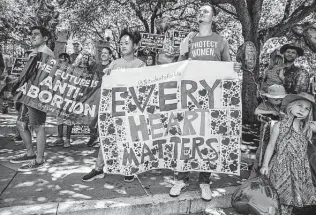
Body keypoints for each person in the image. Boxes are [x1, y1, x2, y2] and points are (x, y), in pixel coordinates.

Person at [170, 4, 241, 201]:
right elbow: (180, 64)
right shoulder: (189, 39)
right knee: (186, 137)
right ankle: (181, 178)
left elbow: (228, 69)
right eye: (199, 10)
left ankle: (204, 181)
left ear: (214, 18)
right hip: (189, 98)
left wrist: (234, 66)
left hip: (212, 99)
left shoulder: (221, 41)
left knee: (207, 139)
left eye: (206, 11)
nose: (201, 13)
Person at [82, 28, 145, 183]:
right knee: (106, 137)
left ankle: (129, 168)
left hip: (131, 110)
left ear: (135, 46)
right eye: (121, 43)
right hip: (112, 109)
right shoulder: (114, 64)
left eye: (127, 43)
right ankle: (98, 168)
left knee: (129, 140)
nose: (123, 45)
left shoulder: (141, 64)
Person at [260, 92, 316, 215]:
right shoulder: (280, 126)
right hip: (281, 166)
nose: (302, 110)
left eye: (307, 109)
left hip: (299, 169)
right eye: (300, 106)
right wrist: (265, 165)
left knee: (292, 199)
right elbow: (271, 146)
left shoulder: (306, 128)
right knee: (278, 196)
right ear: (290, 106)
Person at [10, 26, 54, 171]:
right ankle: (30, 153)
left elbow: (48, 77)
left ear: (45, 38)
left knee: (38, 125)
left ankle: (40, 159)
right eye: (31, 34)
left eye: (36, 34)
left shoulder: (47, 53)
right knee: (21, 124)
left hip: (38, 96)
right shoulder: (36, 53)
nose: (32, 36)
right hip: (27, 94)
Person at [248, 84, 286, 179]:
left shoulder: (281, 106)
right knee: (262, 151)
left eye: (280, 99)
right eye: (276, 99)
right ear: (268, 98)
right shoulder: (265, 105)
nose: (278, 101)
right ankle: (254, 175)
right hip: (266, 133)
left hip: (277, 133)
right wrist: (271, 112)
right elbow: (256, 111)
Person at [86, 47, 112, 147]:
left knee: (104, 118)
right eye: (102, 53)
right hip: (94, 95)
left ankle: (103, 139)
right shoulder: (96, 65)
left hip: (106, 96)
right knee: (92, 117)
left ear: (110, 55)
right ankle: (93, 136)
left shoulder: (112, 66)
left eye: (106, 53)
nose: (103, 54)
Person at [48, 53, 72, 148]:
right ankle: (60, 138)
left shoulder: (72, 69)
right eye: (60, 58)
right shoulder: (57, 68)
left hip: (69, 96)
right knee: (59, 117)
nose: (62, 60)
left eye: (64, 58)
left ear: (67, 59)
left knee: (69, 118)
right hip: (58, 95)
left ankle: (68, 140)